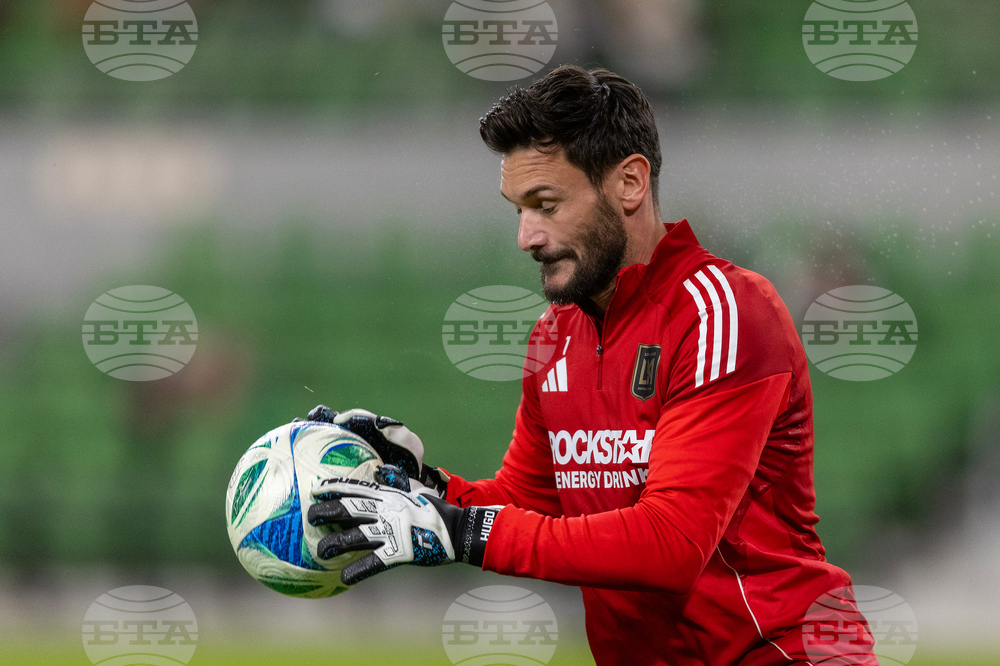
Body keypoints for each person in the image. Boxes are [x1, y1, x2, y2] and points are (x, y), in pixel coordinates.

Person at [305, 65, 878, 666]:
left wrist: (461, 531)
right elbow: (530, 504)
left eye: (546, 204)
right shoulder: (555, 334)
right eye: (518, 210)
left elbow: (671, 542)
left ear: (630, 183)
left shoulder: (722, 313)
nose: (527, 236)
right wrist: (427, 490)